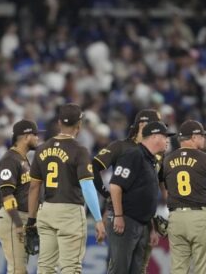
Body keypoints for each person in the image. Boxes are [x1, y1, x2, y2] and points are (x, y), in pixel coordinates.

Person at [27, 103, 106, 273]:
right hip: (70, 212)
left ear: (59, 122)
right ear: (79, 125)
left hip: (46, 210)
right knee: (70, 268)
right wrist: (98, 219)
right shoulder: (79, 150)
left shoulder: (42, 149)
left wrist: (31, 220)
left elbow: (34, 187)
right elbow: (87, 186)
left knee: (45, 267)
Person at [92, 109, 164, 273]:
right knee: (118, 265)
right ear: (143, 125)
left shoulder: (157, 152)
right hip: (121, 214)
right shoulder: (121, 146)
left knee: (139, 268)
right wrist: (106, 194)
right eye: (156, 125)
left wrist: (152, 226)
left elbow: (157, 185)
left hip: (144, 218)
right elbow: (93, 168)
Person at [107, 121, 174, 274]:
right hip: (126, 221)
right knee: (120, 269)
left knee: (136, 270)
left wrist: (151, 228)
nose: (167, 141)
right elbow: (115, 186)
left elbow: (146, 198)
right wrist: (118, 215)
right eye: (165, 137)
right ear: (155, 136)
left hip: (141, 223)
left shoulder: (150, 160)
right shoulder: (133, 154)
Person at [162, 120, 206, 274]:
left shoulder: (167, 160)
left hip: (175, 217)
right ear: (194, 137)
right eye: (202, 135)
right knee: (203, 268)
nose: (204, 138)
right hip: (200, 217)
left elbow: (165, 187)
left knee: (178, 269)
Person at [0, 119, 40, 274]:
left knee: (20, 269)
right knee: (17, 270)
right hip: (13, 219)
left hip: (22, 218)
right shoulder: (10, 159)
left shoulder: (23, 158)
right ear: (26, 136)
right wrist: (19, 223)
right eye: (35, 135)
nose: (38, 138)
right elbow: (7, 196)